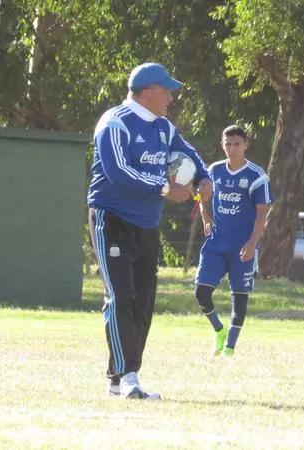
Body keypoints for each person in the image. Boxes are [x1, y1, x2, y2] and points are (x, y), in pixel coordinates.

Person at [87, 62, 213, 399]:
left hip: (147, 226)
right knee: (119, 296)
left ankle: (121, 380)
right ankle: (127, 377)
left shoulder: (164, 128)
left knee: (142, 302)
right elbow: (118, 173)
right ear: (146, 92)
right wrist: (163, 188)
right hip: (111, 220)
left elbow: (191, 157)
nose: (171, 97)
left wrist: (204, 179)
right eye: (166, 90)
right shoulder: (114, 123)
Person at [194, 125, 273, 357]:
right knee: (201, 292)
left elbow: (262, 215)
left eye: (237, 144)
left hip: (243, 245)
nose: (232, 149)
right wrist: (206, 217)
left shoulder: (257, 176)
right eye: (227, 144)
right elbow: (202, 196)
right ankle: (218, 330)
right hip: (216, 243)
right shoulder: (214, 170)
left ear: (246, 144)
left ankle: (229, 348)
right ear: (222, 145)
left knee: (239, 296)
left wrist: (252, 243)